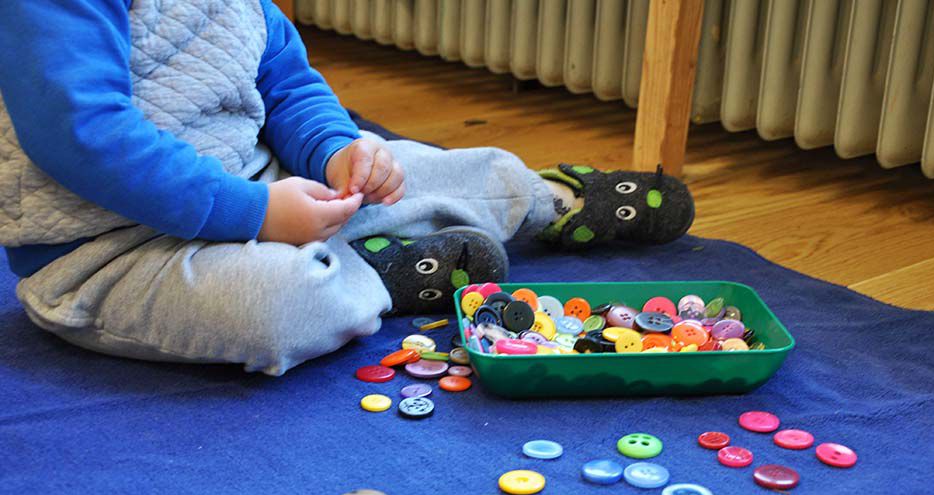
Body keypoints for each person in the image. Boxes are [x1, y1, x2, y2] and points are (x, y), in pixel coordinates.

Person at [0, 0, 694, 376]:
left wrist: (338, 154)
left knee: (414, 165)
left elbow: (288, 85)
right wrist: (255, 213)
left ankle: (548, 201)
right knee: (273, 307)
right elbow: (83, 133)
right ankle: (382, 277)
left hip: (259, 187)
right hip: (113, 253)